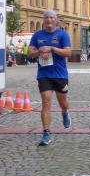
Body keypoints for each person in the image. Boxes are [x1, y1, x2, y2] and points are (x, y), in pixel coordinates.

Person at [28, 10, 72, 146]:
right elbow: (30, 52)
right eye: (46, 18)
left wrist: (52, 49)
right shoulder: (37, 35)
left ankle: (65, 112)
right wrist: (39, 51)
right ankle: (46, 132)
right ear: (44, 20)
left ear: (56, 20)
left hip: (60, 74)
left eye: (51, 18)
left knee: (63, 103)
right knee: (46, 101)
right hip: (44, 74)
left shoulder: (62, 34)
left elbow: (68, 52)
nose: (49, 20)